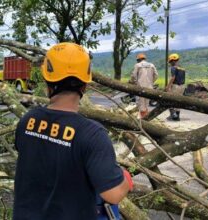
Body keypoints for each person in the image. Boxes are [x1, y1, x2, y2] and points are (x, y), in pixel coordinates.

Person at [13, 42, 133, 220]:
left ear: (48, 82)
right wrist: (126, 179)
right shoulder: (92, 135)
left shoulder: (27, 121)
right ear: (85, 85)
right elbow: (113, 194)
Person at [130, 53, 158, 119]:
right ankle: (146, 118)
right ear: (145, 59)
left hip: (140, 87)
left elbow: (133, 76)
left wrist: (135, 82)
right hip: (149, 88)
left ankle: (142, 121)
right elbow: (156, 75)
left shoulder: (138, 65)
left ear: (138, 59)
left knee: (141, 105)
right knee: (146, 104)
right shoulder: (151, 65)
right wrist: (151, 82)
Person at [166, 53, 186, 121]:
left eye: (170, 61)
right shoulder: (182, 68)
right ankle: (177, 117)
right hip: (182, 86)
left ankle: (173, 115)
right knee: (178, 101)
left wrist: (168, 86)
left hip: (176, 86)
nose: (170, 63)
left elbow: (173, 78)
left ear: (173, 61)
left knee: (170, 100)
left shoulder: (173, 68)